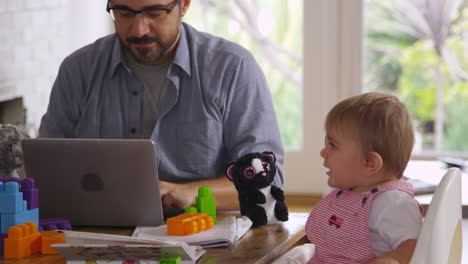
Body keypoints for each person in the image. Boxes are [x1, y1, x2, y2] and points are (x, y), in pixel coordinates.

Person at [38, 0, 284, 212]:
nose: (138, 29)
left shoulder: (232, 68)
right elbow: (44, 171)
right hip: (98, 233)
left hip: (207, 234)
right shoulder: (78, 70)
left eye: (154, 13)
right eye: (123, 13)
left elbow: (268, 182)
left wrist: (191, 193)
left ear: (184, 5)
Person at [305, 92, 423, 263]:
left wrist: (391, 260)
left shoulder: (392, 202)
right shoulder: (347, 190)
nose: (323, 152)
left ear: (369, 162)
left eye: (333, 146)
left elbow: (414, 247)